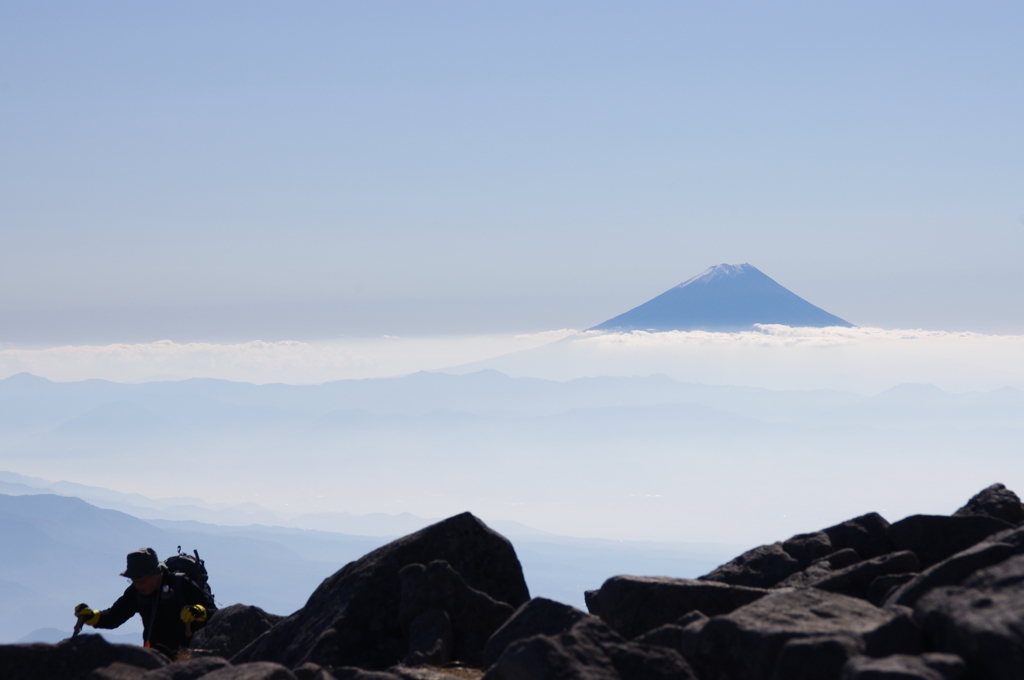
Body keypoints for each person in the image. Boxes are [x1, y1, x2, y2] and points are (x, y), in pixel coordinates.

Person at [74, 547, 216, 657]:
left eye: (142, 581)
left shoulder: (181, 584)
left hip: (190, 656)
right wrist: (92, 617)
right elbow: (114, 616)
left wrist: (198, 611)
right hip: (155, 658)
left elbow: (215, 615)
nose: (138, 585)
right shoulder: (136, 591)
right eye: (134, 581)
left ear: (157, 573)